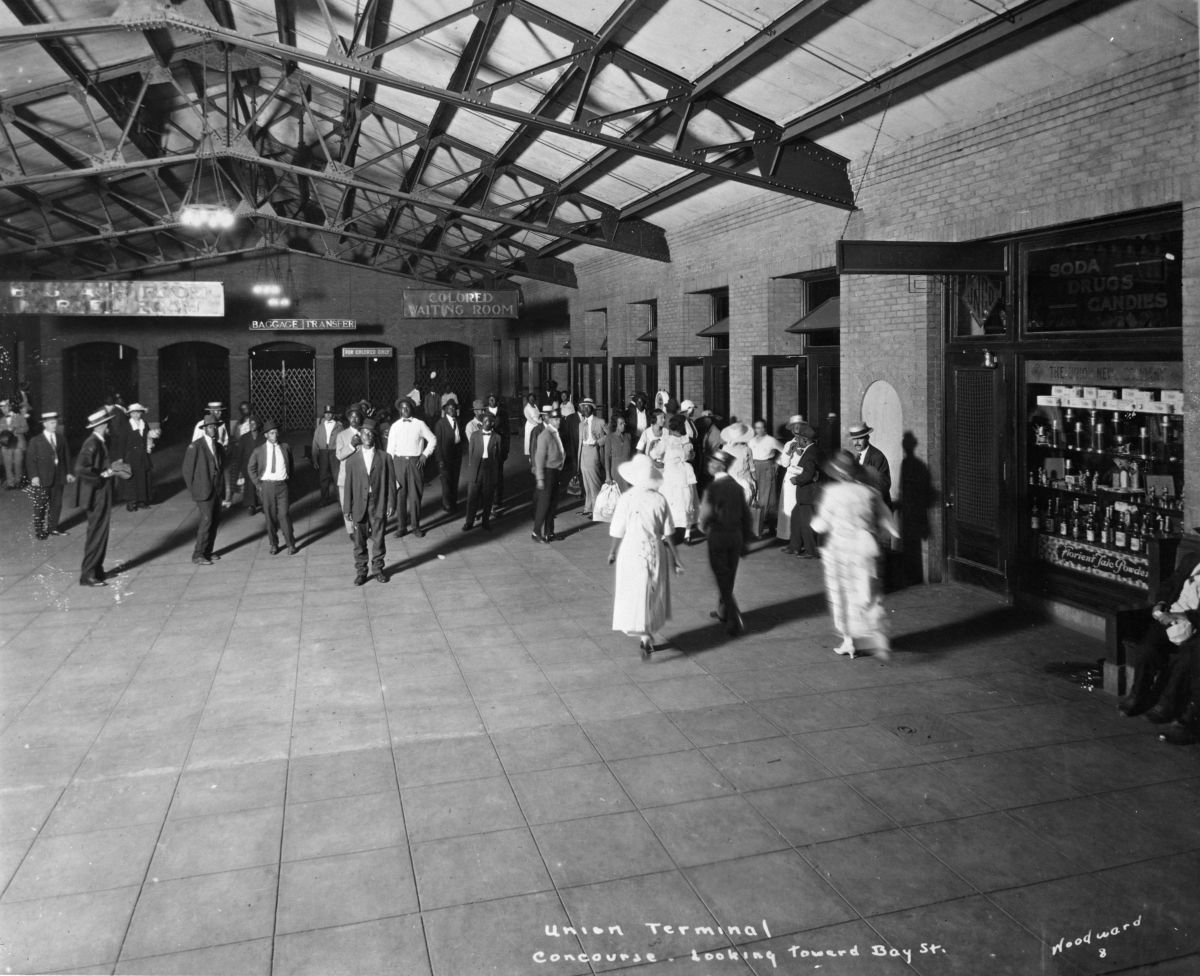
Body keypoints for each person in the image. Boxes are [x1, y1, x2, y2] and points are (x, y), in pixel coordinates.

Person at [811, 449, 899, 659]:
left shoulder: (833, 493)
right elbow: (890, 524)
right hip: (866, 547)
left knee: (842, 593)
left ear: (839, 474)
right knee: (867, 591)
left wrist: (815, 522)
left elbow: (821, 526)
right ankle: (876, 635)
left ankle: (849, 641)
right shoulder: (870, 493)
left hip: (841, 549)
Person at [607, 453, 683, 659]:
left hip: (631, 549)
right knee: (652, 590)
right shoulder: (660, 499)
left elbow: (617, 530)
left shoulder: (626, 499)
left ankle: (642, 632)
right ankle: (647, 634)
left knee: (634, 591)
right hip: (654, 549)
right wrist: (676, 559)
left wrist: (613, 551)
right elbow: (668, 533)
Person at [1118, 546, 1200, 722]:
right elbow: (1169, 584)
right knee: (1148, 648)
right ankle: (1138, 695)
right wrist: (1161, 603)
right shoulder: (1191, 559)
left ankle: (1167, 705)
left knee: (1185, 659)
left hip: (1195, 625)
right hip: (1171, 618)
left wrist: (1184, 616)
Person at [699, 449, 753, 636]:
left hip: (719, 536)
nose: (708, 465)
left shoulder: (712, 488)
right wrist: (745, 541)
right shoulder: (737, 487)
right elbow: (747, 516)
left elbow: (704, 516)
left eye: (711, 462)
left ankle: (733, 619)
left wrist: (703, 525)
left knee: (722, 578)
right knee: (729, 575)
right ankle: (722, 611)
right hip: (736, 536)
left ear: (719, 466)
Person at [342, 419, 396, 585]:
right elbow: (348, 485)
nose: (367, 436)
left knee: (379, 538)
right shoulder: (352, 460)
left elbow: (391, 483)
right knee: (359, 540)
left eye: (370, 433)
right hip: (359, 503)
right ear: (360, 435)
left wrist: (391, 503)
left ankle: (378, 570)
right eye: (364, 433)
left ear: (374, 436)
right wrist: (347, 508)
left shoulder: (385, 458)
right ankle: (361, 572)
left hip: (377, 502)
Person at [72, 407, 117, 586]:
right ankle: (88, 575)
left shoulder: (99, 441)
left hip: (100, 492)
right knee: (96, 532)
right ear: (102, 425)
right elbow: (80, 468)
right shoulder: (92, 443)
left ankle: (97, 570)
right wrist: (101, 477)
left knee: (101, 530)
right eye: (108, 424)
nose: (109, 427)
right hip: (96, 493)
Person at [247, 418, 298, 555]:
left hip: (282, 487)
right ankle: (274, 544)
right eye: (271, 433)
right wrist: (259, 485)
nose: (275, 436)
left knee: (284, 515)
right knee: (270, 517)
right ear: (265, 435)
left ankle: (290, 544)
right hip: (267, 487)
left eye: (276, 433)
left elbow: (291, 466)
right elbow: (250, 468)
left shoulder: (285, 447)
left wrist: (288, 481)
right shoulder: (259, 451)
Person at [386, 397, 436, 538]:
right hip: (399, 463)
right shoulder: (395, 426)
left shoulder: (420, 424)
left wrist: (425, 455)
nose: (405, 409)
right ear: (399, 410)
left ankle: (415, 527)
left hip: (415, 463)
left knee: (415, 496)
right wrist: (390, 468)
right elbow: (390, 450)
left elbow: (433, 439)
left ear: (411, 408)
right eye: (402, 407)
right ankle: (401, 528)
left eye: (407, 407)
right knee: (400, 496)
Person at [181, 412, 226, 566]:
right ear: (205, 429)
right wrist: (195, 490)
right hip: (203, 491)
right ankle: (198, 554)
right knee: (206, 520)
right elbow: (187, 471)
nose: (214, 429)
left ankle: (208, 551)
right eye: (210, 427)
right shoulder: (196, 446)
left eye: (215, 426)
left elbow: (221, 468)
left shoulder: (218, 446)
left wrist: (223, 490)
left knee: (214, 521)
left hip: (216, 490)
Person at [650, 414, 699, 544]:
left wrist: (654, 456)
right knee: (685, 501)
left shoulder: (666, 440)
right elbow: (691, 456)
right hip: (684, 475)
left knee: (670, 502)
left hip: (671, 475)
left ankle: (667, 533)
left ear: (671, 427)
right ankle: (687, 534)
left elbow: (654, 454)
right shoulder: (686, 440)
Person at [26, 410, 74, 540]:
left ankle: (53, 528)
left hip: (58, 477)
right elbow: (30, 460)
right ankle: (40, 530)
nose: (55, 425)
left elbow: (66, 457)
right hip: (42, 478)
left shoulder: (61, 438)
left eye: (55, 422)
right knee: (40, 505)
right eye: (52, 423)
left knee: (56, 504)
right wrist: (34, 476)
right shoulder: (36, 441)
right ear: (45, 424)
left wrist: (69, 472)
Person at [781, 421, 821, 558]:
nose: (796, 440)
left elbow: (809, 474)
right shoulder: (811, 450)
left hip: (808, 494)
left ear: (805, 439)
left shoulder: (810, 453)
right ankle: (795, 547)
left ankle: (811, 551)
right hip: (804, 494)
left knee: (806, 524)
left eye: (799, 438)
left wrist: (796, 479)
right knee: (796, 518)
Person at [463, 412, 501, 532]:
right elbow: (470, 453)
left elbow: (498, 457)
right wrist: (471, 470)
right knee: (472, 496)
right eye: (483, 421)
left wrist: (495, 473)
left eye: (487, 422)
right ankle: (469, 522)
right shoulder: (474, 435)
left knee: (488, 496)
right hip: (476, 468)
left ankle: (485, 522)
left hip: (489, 469)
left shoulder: (497, 438)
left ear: (492, 423)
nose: (484, 424)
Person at [531, 405, 565, 543]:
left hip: (556, 472)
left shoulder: (556, 433)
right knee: (544, 505)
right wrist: (540, 478)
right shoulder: (544, 435)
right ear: (549, 420)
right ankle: (536, 532)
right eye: (555, 419)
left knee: (553, 504)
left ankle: (549, 533)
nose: (558, 422)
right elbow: (538, 458)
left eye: (559, 419)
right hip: (547, 473)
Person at [192, 400, 234, 507]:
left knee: (224, 476)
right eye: (217, 412)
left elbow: (226, 440)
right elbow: (195, 442)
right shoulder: (201, 424)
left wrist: (223, 449)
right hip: (206, 456)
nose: (220, 414)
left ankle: (226, 499)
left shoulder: (222, 424)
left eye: (220, 411)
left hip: (219, 454)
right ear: (211, 412)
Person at [776, 416, 809, 542]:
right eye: (794, 426)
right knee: (788, 506)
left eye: (799, 425)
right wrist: (789, 452)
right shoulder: (788, 444)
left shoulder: (808, 442)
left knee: (799, 507)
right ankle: (789, 537)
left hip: (802, 477)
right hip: (790, 479)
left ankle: (799, 538)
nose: (796, 428)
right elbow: (784, 464)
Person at [116, 402, 154, 511]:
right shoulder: (126, 426)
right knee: (131, 479)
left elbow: (147, 438)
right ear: (130, 414)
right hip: (131, 456)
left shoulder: (144, 424)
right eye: (134, 413)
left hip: (143, 455)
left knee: (143, 478)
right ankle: (131, 502)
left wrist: (150, 443)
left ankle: (142, 501)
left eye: (139, 412)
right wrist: (120, 457)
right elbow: (121, 443)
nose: (137, 415)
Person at [335, 405, 365, 537]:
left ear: (360, 418)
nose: (354, 418)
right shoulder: (342, 435)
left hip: (362, 476)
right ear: (348, 418)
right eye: (351, 416)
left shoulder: (365, 433)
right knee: (346, 504)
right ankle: (351, 531)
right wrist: (352, 445)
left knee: (361, 502)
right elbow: (339, 455)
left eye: (357, 416)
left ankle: (361, 528)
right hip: (346, 477)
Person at [749, 418, 782, 536]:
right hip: (754, 468)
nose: (759, 430)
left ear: (765, 428)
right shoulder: (751, 441)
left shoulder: (771, 440)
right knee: (755, 496)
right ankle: (757, 527)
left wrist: (778, 463)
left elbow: (785, 450)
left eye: (761, 427)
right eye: (757, 427)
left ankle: (772, 525)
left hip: (767, 467)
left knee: (769, 497)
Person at [848, 422, 892, 506]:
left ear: (867, 437)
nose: (856, 442)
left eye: (860, 438)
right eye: (854, 439)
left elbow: (883, 486)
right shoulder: (857, 457)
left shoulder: (877, 456)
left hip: (878, 507)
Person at [576, 397, 606, 516]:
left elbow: (609, 436)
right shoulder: (581, 424)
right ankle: (588, 508)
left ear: (592, 408)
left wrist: (598, 441)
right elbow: (579, 443)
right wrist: (578, 461)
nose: (584, 408)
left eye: (587, 406)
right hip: (583, 453)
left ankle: (597, 510)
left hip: (593, 451)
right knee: (586, 482)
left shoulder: (600, 422)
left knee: (594, 482)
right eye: (583, 406)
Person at [433, 400, 464, 515]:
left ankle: (453, 503)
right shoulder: (440, 424)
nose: (452, 410)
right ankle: (447, 505)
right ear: (445, 410)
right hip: (445, 457)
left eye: (454, 408)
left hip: (456, 455)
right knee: (446, 481)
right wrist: (440, 459)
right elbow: (438, 443)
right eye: (449, 408)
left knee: (455, 480)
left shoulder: (458, 421)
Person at [311, 404, 342, 506]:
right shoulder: (320, 427)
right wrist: (315, 459)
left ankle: (340, 499)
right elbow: (315, 444)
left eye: (330, 413)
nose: (328, 416)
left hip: (334, 452)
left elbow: (343, 440)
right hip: (323, 452)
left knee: (336, 476)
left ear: (333, 415)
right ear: (324, 415)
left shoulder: (339, 426)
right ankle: (324, 499)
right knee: (323, 477)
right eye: (326, 413)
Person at [719, 422, 757, 504]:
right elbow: (752, 468)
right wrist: (755, 483)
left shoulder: (725, 448)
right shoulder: (747, 449)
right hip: (743, 482)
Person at [485, 392, 510, 511]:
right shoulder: (485, 414)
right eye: (490, 400)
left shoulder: (503, 413)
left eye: (494, 399)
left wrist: (506, 450)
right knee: (488, 476)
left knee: (499, 476)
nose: (492, 402)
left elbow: (507, 433)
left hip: (500, 449)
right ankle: (488, 500)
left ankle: (498, 500)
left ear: (497, 401)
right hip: (489, 450)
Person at [235, 416, 263, 516]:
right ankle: (251, 505)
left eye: (254, 423)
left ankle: (262, 503)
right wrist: (239, 471)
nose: (252, 425)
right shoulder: (244, 438)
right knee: (250, 487)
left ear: (258, 425)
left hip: (260, 467)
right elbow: (239, 455)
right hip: (247, 466)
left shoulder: (263, 437)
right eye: (250, 423)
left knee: (260, 485)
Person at [1, 397, 29, 489]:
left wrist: (16, 430)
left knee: (18, 464)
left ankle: (18, 482)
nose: (3, 409)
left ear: (9, 407)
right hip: (6, 445)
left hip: (18, 444)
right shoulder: (1, 420)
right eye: (1, 408)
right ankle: (10, 484)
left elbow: (26, 428)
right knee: (8, 464)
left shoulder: (19, 417)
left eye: (5, 407)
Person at [604, 414, 633, 491]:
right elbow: (607, 457)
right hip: (616, 471)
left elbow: (631, 455)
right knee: (617, 494)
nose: (623, 425)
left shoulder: (628, 436)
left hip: (627, 470)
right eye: (621, 423)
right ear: (615, 425)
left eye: (624, 423)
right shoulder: (609, 437)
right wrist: (608, 475)